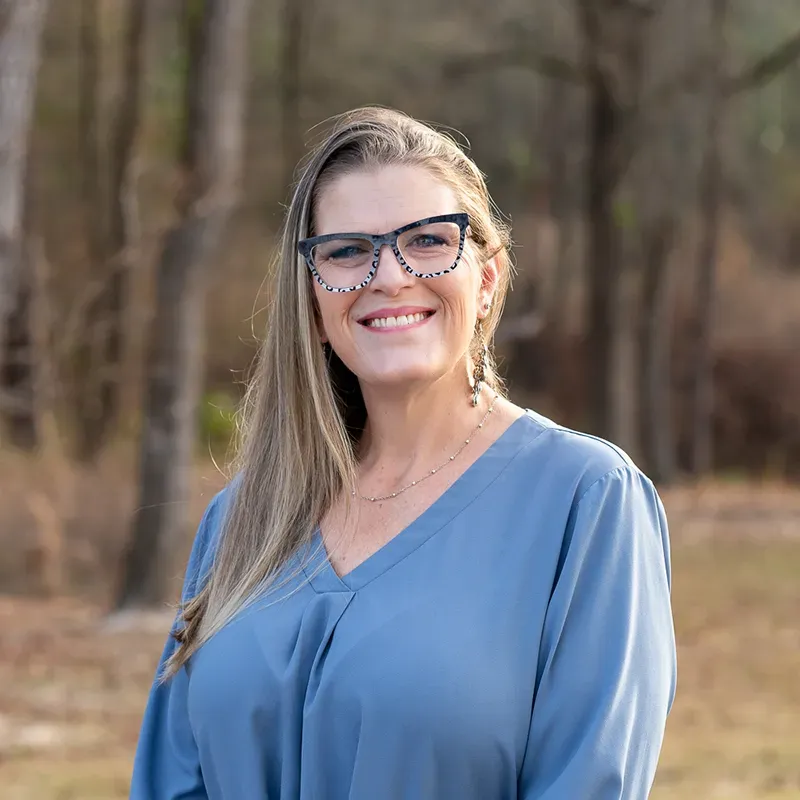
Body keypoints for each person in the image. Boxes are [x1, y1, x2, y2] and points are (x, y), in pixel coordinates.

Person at [129, 106, 677, 800]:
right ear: (314, 302)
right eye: (347, 250)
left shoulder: (586, 504)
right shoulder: (241, 520)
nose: (387, 276)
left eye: (425, 240)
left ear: (486, 280)